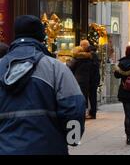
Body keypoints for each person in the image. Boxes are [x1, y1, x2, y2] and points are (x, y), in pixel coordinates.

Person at [0, 15, 85, 154]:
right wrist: (73, 138)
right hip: (48, 148)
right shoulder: (56, 68)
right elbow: (74, 108)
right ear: (41, 37)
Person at [68, 42, 95, 115]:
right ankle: (84, 111)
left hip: (76, 79)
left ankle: (78, 111)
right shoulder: (89, 58)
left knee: (77, 95)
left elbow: (69, 67)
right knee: (84, 95)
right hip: (86, 80)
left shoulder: (76, 59)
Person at [86, 43, 100, 119]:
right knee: (93, 97)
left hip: (90, 80)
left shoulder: (90, 57)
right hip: (95, 79)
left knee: (90, 96)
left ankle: (92, 112)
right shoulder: (96, 58)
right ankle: (93, 112)